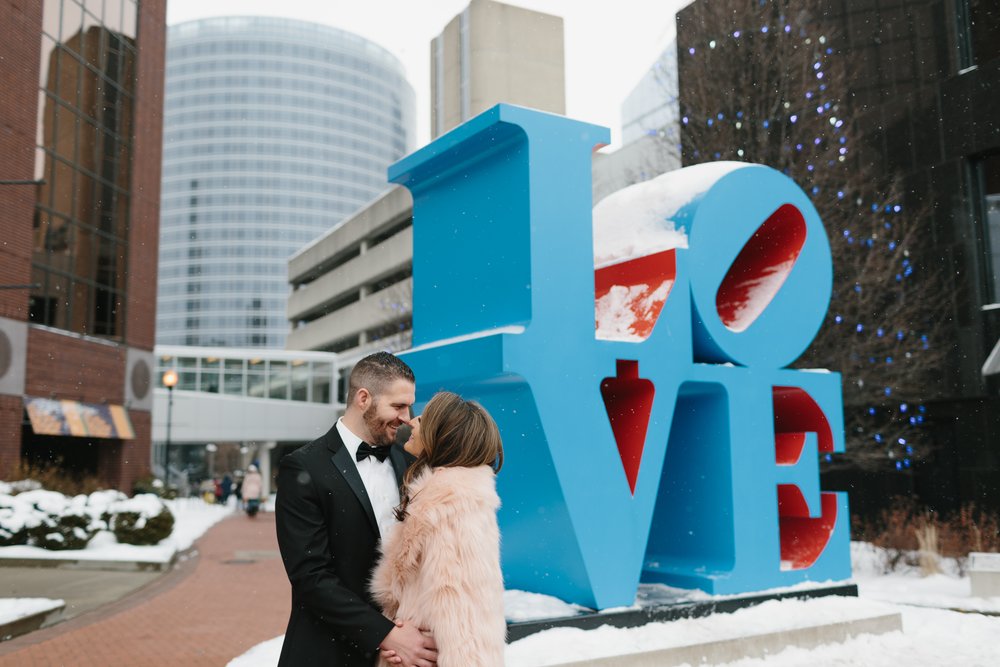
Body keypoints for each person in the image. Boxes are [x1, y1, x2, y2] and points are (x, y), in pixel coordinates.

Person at [275, 352, 438, 667]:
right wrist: (384, 634)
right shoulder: (303, 466)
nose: (407, 417)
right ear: (364, 398)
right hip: (327, 652)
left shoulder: (407, 462)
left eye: (409, 406)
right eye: (398, 406)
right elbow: (311, 577)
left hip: (401, 656)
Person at [371, 391, 506, 667]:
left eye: (425, 416)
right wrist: (396, 638)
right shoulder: (447, 497)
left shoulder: (451, 505)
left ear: (443, 435)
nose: (413, 420)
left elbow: (462, 618)